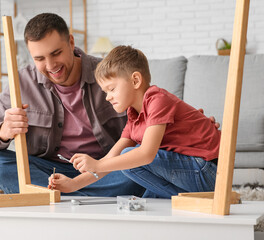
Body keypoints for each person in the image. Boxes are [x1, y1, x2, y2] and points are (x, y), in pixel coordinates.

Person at [0, 13, 145, 196]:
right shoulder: (20, 82)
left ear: (71, 43)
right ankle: (77, 197)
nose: (50, 66)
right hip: (48, 171)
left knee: (144, 164)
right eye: (39, 59)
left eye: (56, 53)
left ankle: (51, 197)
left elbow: (145, 126)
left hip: (102, 170)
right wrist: (4, 130)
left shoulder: (108, 74)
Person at [49, 45, 220, 198]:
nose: (107, 97)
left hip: (209, 171)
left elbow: (146, 154)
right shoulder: (133, 117)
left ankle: (180, 198)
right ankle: (178, 199)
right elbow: (110, 159)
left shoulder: (157, 99)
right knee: (133, 174)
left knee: (131, 158)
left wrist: (97, 164)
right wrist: (73, 184)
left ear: (136, 80)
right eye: (105, 91)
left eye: (112, 89)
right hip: (193, 172)